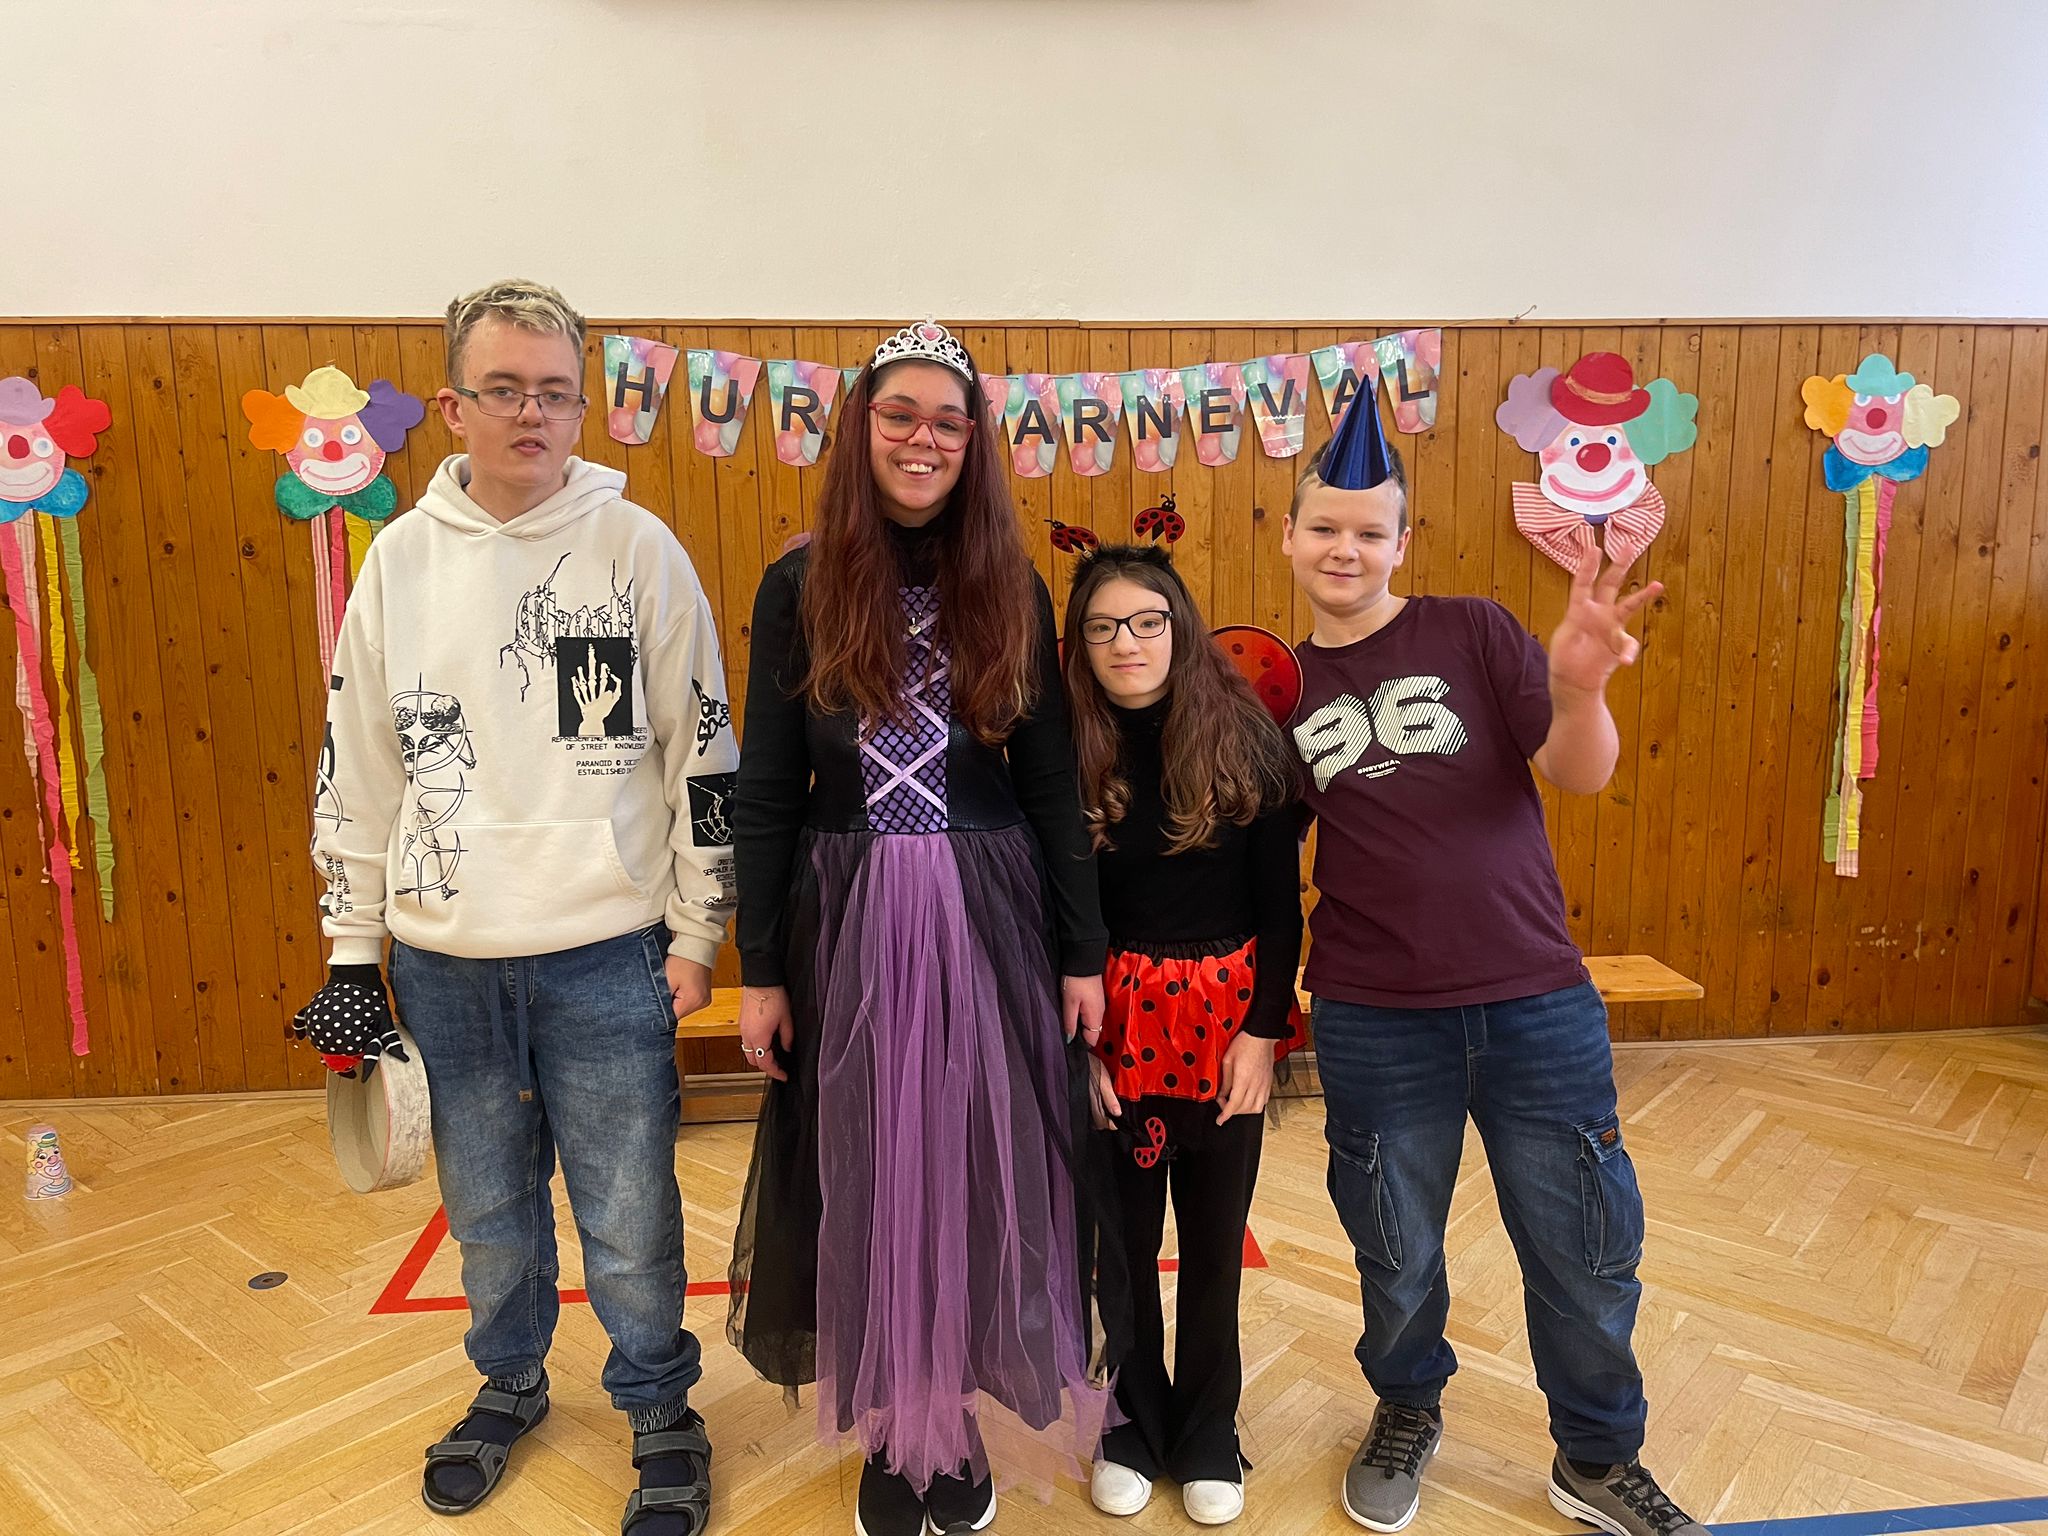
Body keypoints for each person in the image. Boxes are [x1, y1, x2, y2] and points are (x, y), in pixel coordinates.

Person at [292, 279, 732, 1536]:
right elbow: (359, 761)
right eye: (503, 390)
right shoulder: (398, 561)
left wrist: (698, 930)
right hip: (444, 960)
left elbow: (700, 752)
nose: (529, 413)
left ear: (581, 408)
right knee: (487, 1211)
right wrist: (351, 947)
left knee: (630, 1213)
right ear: (454, 407)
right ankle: (509, 1384)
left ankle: (659, 1405)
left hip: (608, 952)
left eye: (553, 393)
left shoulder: (636, 549)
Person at [1282, 387, 1706, 1536]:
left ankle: (1595, 1457)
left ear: (1399, 542)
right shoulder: (1276, 686)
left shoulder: (1469, 629)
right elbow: (1256, 852)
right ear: (1289, 537)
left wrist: (1577, 686)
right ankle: (1405, 1407)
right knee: (1392, 1249)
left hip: (1535, 1004)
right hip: (1373, 1015)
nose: (1344, 548)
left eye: (1368, 530)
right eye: (1323, 527)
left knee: (1583, 1249)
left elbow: (1577, 771)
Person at [726, 320, 1114, 1536]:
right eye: (899, 414)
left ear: (973, 443)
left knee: (971, 1162)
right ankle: (897, 1427)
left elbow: (1049, 783)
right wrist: (759, 969)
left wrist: (1081, 952)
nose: (921, 439)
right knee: (869, 1163)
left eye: (947, 421)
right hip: (846, 915)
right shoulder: (797, 586)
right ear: (860, 428)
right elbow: (767, 787)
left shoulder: (1009, 582)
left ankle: (955, 1415)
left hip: (985, 911)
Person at [1061, 544, 1302, 1528]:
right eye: (1103, 627)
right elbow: (1046, 919)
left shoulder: (1245, 739)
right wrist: (1075, 1053)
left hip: (1222, 1029)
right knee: (1121, 1246)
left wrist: (1263, 1031)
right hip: (1112, 1029)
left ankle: (1208, 1430)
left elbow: (1279, 908)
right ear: (1079, 645)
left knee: (1211, 1241)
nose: (1127, 643)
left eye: (1146, 622)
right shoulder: (1062, 752)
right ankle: (1130, 1425)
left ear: (1179, 627)